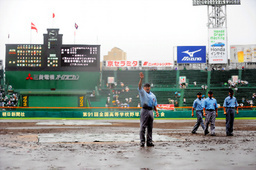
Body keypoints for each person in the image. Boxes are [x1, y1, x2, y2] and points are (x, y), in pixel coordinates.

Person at [138, 72, 159, 147]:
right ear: (144, 88)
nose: (147, 87)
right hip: (144, 110)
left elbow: (154, 104)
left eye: (148, 86)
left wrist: (156, 112)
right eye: (146, 86)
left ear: (150, 87)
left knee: (150, 127)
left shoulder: (153, 95)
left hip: (151, 111)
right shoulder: (143, 92)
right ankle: (142, 141)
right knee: (143, 126)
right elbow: (139, 86)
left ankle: (149, 141)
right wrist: (141, 79)